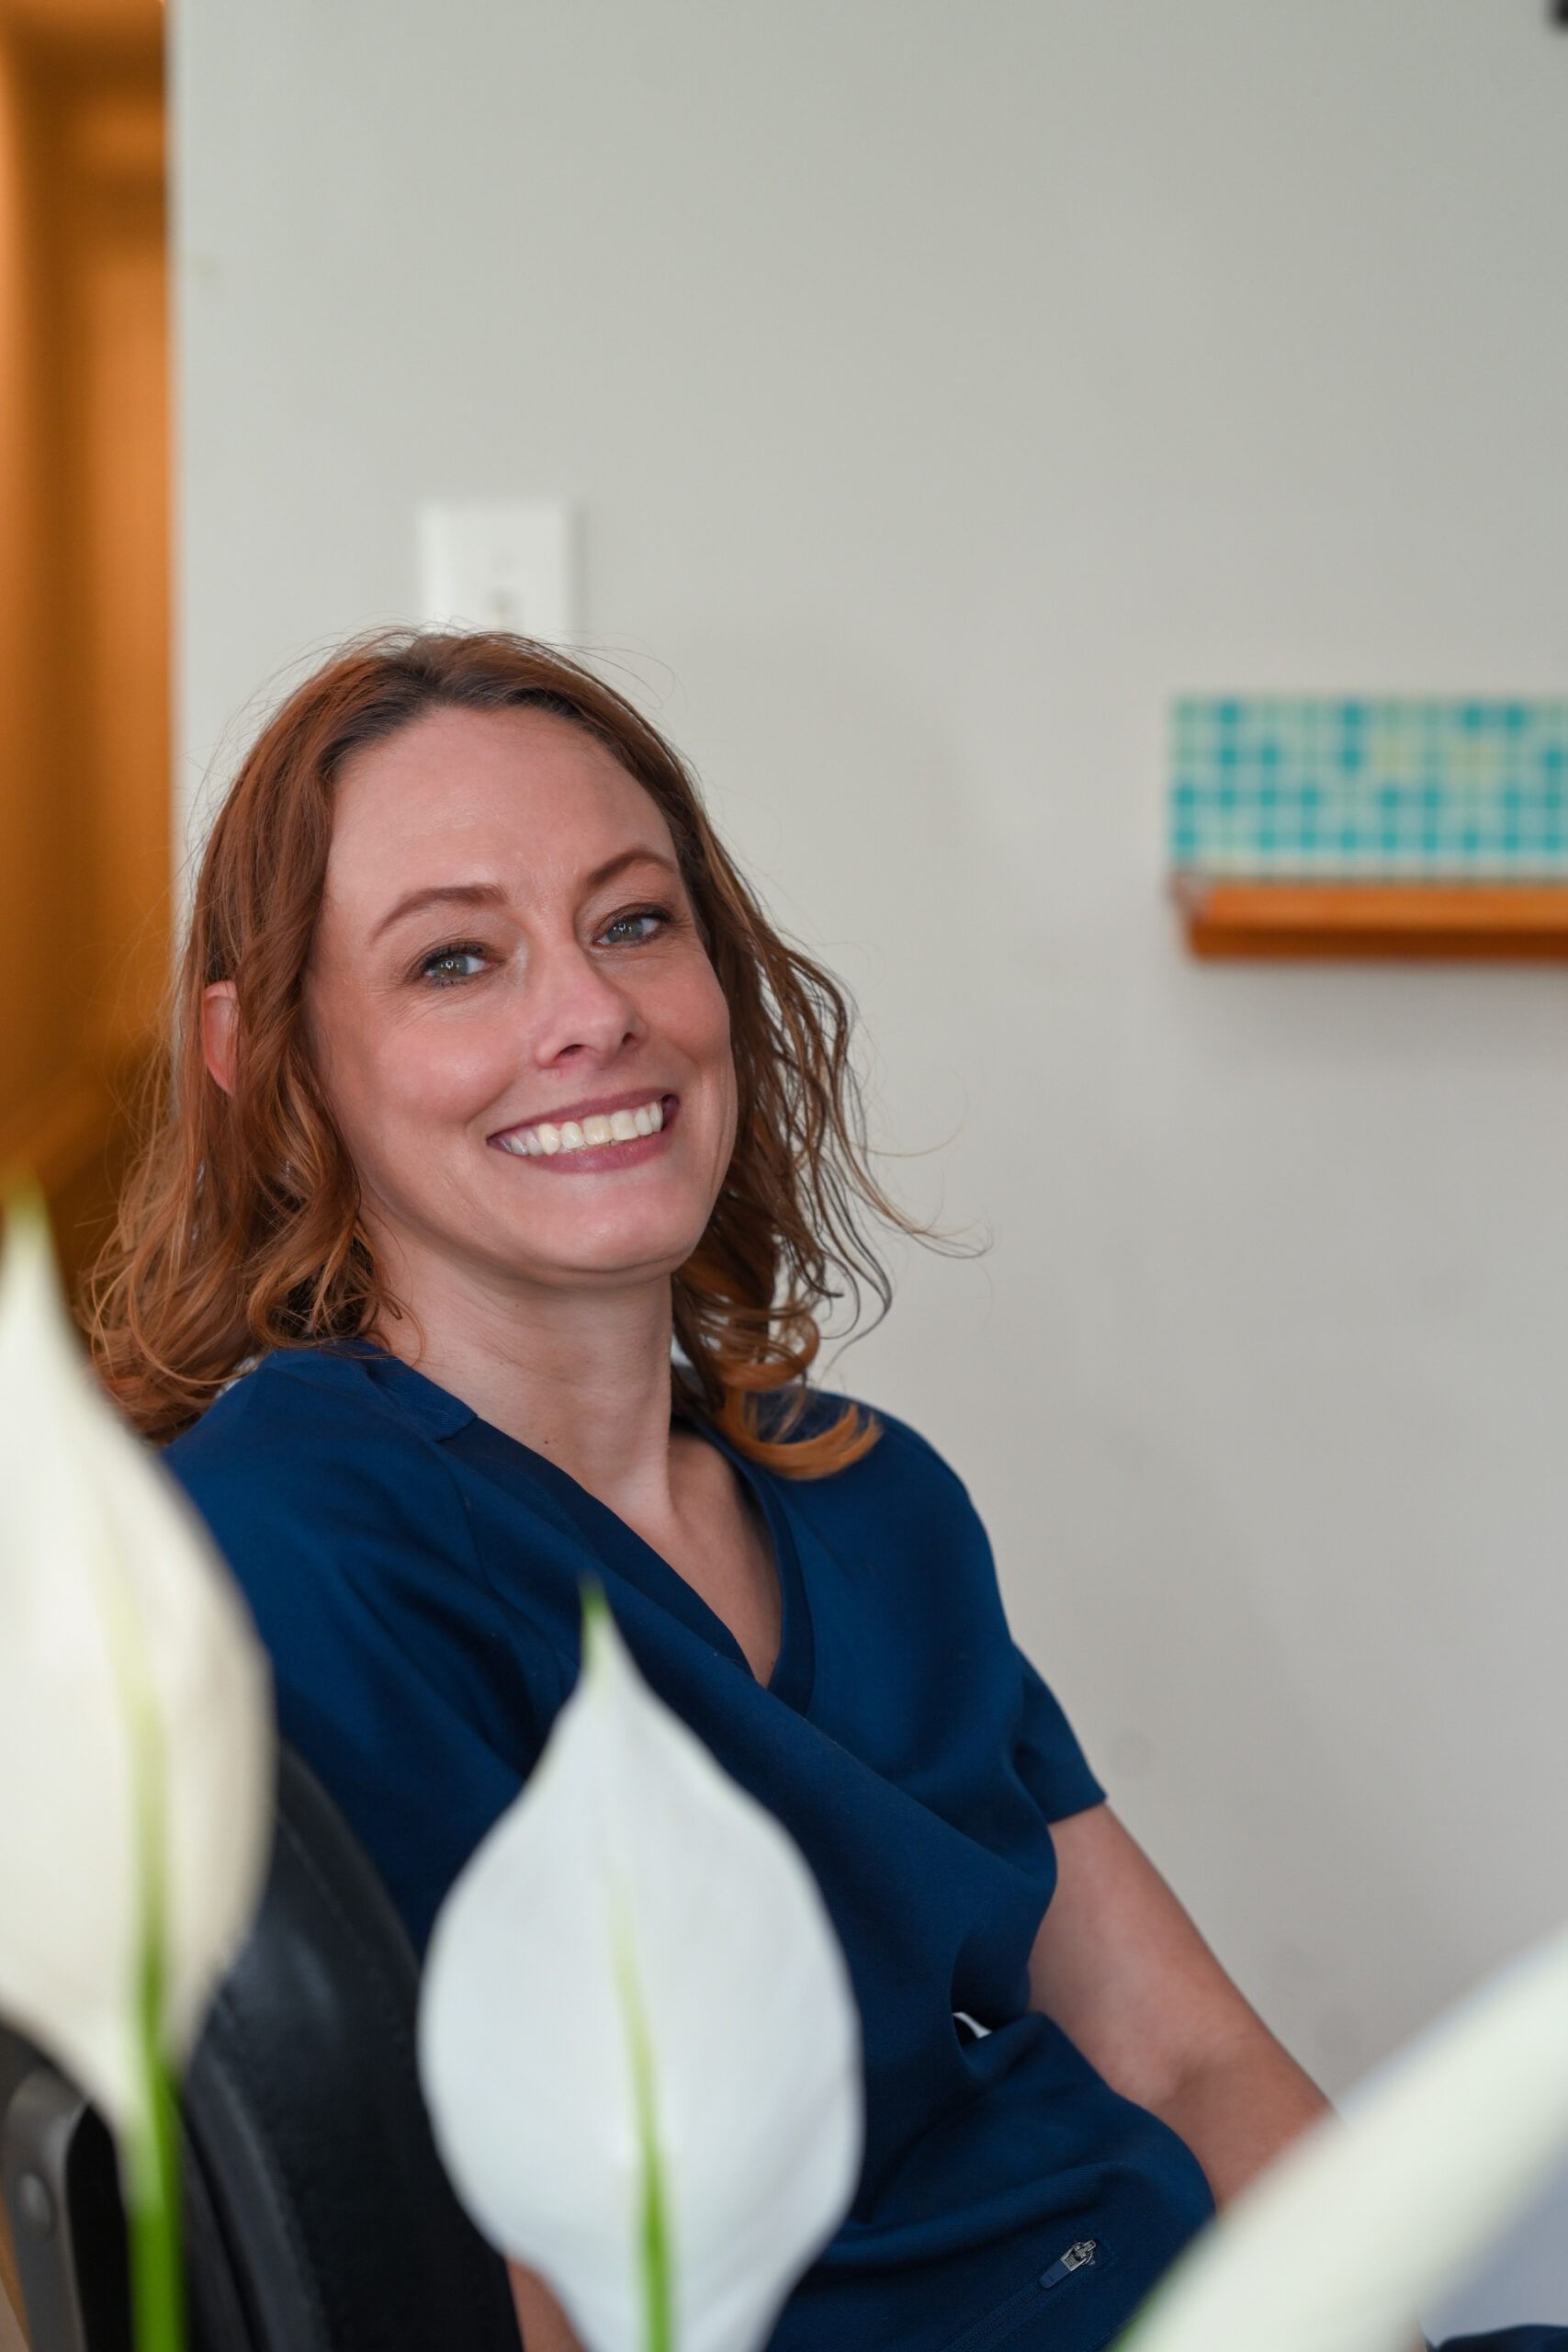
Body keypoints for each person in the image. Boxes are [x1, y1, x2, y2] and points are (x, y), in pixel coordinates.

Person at [86, 630, 1555, 2352]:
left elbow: (1185, 2053)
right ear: (263, 1057)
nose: (593, 1014)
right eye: (455, 962)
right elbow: (494, 2286)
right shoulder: (294, 1547)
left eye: (634, 921)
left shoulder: (870, 1497)